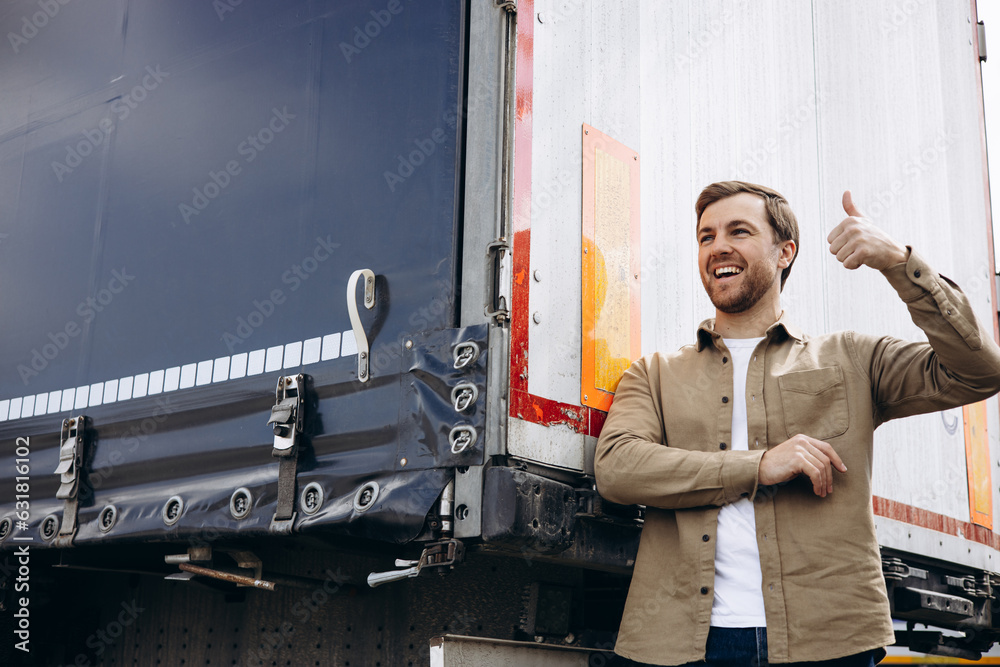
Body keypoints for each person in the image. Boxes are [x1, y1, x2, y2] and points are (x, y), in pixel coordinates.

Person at [594, 181, 1000, 666]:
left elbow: (978, 371)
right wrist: (758, 466)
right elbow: (618, 469)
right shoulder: (655, 374)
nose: (718, 246)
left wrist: (899, 263)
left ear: (785, 252)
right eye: (706, 236)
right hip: (680, 644)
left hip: (826, 641)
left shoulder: (853, 358)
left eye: (738, 231)